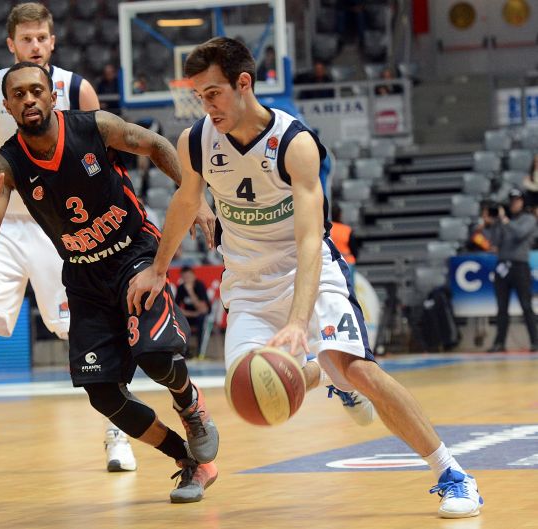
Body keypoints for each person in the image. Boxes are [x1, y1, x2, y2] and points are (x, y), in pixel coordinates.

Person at [127, 37, 484, 519]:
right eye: (199, 96)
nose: (205, 105)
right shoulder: (197, 140)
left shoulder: (294, 144)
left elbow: (310, 240)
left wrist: (298, 321)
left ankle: (453, 474)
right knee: (252, 389)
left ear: (243, 83)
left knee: (360, 370)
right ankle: (328, 373)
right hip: (247, 285)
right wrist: (158, 269)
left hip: (307, 271)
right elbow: (187, 200)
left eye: (213, 93)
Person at [0, 62, 219, 502]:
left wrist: (192, 195)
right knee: (102, 394)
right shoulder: (5, 162)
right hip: (83, 276)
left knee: (155, 357)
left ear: (51, 96)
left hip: (134, 254)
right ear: (7, 105)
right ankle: (188, 461)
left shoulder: (93, 126)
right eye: (19, 94)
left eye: (36, 90)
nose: (29, 99)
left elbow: (156, 144)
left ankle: (190, 404)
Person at [0, 3, 135, 479]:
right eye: (26, 39)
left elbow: (104, 159)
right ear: (11, 45)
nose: (35, 46)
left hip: (61, 225)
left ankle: (118, 426)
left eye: (42, 37)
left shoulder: (76, 89)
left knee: (89, 329)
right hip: (1, 224)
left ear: (53, 41)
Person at [482, 189, 537, 352]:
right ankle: (499, 343)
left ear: (522, 202)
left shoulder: (529, 219)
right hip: (502, 266)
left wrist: (505, 221)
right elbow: (494, 242)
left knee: (526, 306)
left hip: (520, 267)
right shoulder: (504, 220)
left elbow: (519, 234)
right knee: (501, 307)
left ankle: (535, 341)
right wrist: (492, 223)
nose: (514, 203)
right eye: (512, 200)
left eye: (517, 200)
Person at [175, 266, 211, 358]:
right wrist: (193, 314)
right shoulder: (181, 288)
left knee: (201, 319)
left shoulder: (199, 285)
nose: (187, 279)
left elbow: (203, 309)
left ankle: (199, 352)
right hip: (190, 315)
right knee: (178, 321)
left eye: (189, 276)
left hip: (202, 316)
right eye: (184, 277)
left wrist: (190, 291)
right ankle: (184, 352)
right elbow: (176, 309)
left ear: (193, 276)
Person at [329, 203, 358, 285]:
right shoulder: (347, 230)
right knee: (349, 287)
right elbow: (354, 249)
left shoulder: (328, 229)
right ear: (340, 214)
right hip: (348, 262)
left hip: (333, 262)